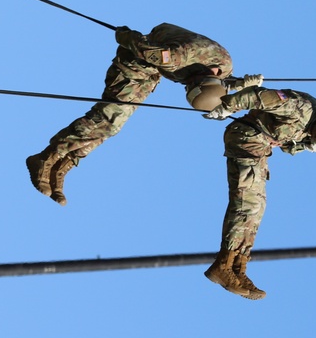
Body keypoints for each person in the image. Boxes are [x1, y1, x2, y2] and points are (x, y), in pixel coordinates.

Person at [26, 23, 263, 205]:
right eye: (189, 84)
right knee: (107, 119)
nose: (186, 84)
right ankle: (47, 157)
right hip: (137, 61)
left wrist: (240, 84)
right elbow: (142, 48)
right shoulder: (178, 57)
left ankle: (62, 165)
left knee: (113, 126)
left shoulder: (221, 70)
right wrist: (126, 35)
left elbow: (216, 84)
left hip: (151, 72)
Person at [201, 86, 316, 300]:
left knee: (258, 207)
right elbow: (259, 96)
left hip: (258, 148)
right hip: (246, 139)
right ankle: (223, 265)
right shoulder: (298, 107)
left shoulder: (311, 125)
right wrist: (228, 106)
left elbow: (286, 140)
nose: (313, 137)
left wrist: (305, 146)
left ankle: (237, 265)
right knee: (247, 204)